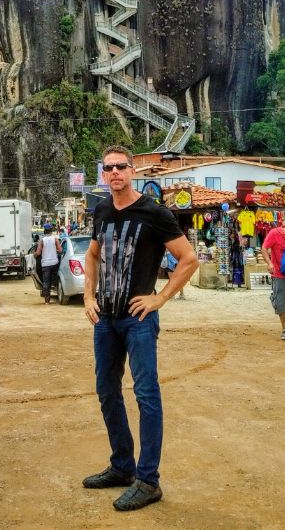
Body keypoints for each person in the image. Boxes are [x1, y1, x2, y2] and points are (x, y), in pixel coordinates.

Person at [83, 145, 198, 512]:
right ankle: (122, 466)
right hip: (106, 319)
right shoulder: (101, 210)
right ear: (103, 174)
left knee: (146, 395)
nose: (115, 173)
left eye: (121, 167)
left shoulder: (153, 212)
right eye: (108, 168)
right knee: (107, 390)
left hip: (139, 320)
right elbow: (93, 254)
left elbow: (189, 259)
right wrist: (89, 297)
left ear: (133, 171)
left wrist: (159, 298)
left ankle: (148, 481)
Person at [36, 224, 61, 304]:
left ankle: (47, 301)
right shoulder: (55, 239)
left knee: (46, 282)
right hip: (54, 263)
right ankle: (58, 293)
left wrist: (34, 254)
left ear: (44, 231)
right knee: (54, 280)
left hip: (45, 264)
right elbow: (60, 250)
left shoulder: (42, 240)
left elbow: (38, 252)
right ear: (51, 231)